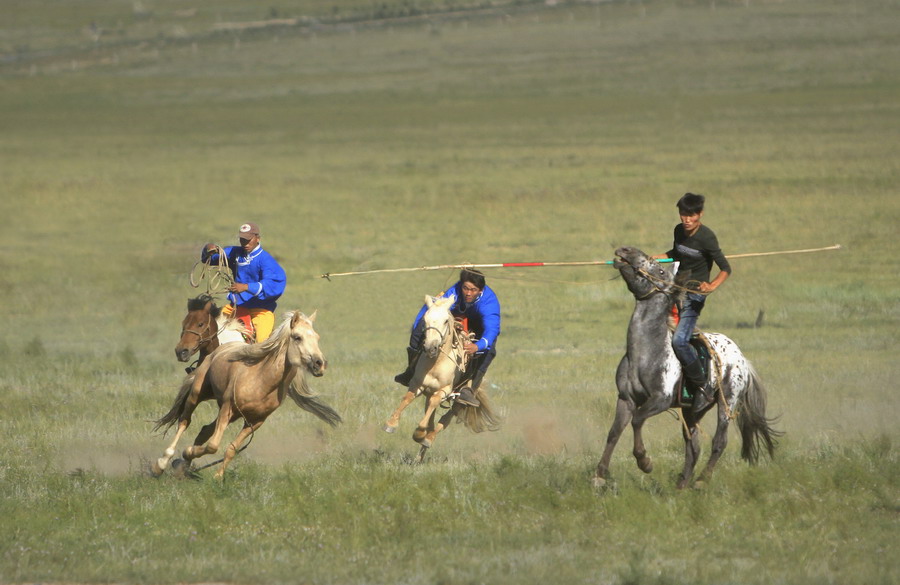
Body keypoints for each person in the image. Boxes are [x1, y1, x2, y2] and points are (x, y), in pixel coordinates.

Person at [652, 193, 731, 415]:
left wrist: (712, 285)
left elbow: (726, 268)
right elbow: (676, 253)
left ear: (700, 214)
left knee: (679, 341)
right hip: (677, 288)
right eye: (684, 214)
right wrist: (654, 258)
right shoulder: (679, 230)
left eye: (692, 215)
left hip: (695, 295)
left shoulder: (707, 238)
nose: (687, 219)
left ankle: (701, 384)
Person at [394, 269, 501, 407]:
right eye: (465, 288)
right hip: (453, 317)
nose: (468, 293)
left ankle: (469, 390)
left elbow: (491, 331)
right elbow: (430, 309)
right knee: (419, 329)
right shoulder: (454, 291)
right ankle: (410, 371)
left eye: (473, 290)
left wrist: (478, 345)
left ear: (480, 290)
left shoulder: (489, 303)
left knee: (489, 350)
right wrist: (419, 326)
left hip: (480, 326)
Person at [201, 222, 287, 343]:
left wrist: (246, 287)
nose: (245, 243)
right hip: (236, 307)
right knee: (209, 327)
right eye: (242, 240)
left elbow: (273, 284)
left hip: (260, 310)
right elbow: (211, 258)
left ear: (258, 238)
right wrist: (209, 248)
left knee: (262, 343)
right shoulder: (236, 252)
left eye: (248, 240)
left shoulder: (266, 260)